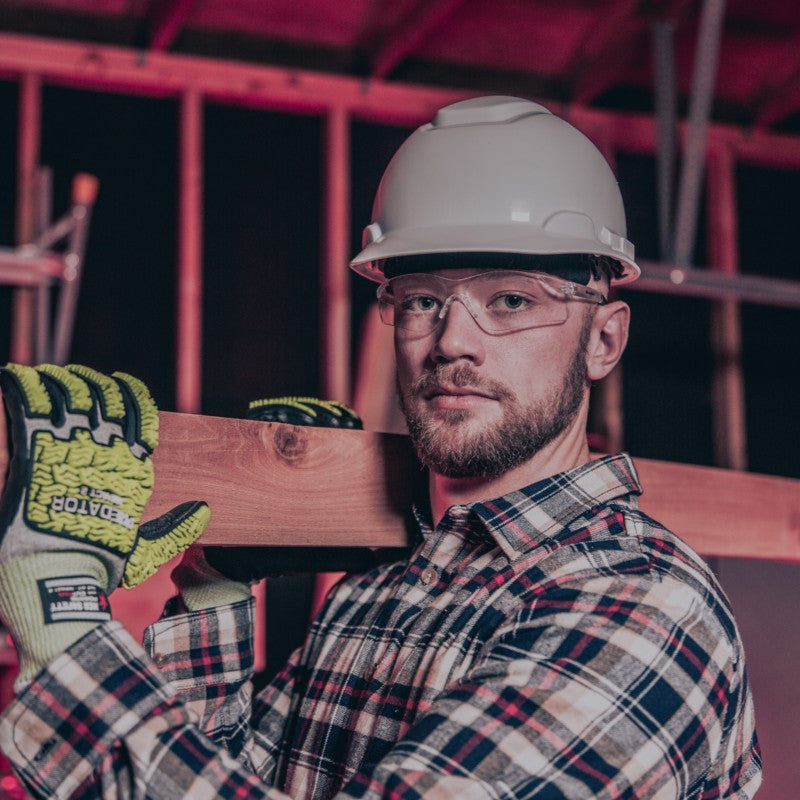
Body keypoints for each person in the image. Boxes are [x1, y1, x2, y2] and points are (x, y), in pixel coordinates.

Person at [0, 96, 761, 798]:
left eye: (511, 300)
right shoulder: (384, 591)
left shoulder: (639, 605)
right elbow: (223, 778)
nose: (452, 342)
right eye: (423, 300)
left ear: (603, 338)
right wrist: (218, 585)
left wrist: (63, 621)